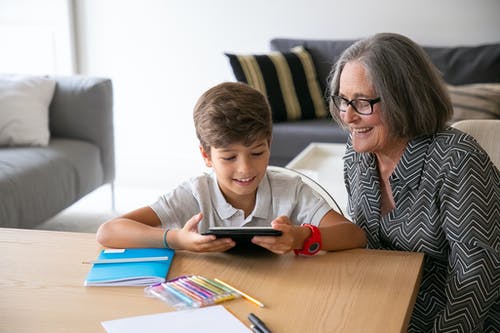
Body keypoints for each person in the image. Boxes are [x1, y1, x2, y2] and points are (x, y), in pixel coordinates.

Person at [328, 32, 500, 332]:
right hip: (387, 305)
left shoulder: (458, 160)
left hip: (461, 319)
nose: (348, 117)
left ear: (403, 99)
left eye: (362, 102)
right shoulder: (357, 155)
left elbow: (478, 276)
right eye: (343, 100)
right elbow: (363, 242)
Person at [97, 81, 366, 255]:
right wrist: (177, 239)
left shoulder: (290, 191)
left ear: (269, 145)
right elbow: (108, 231)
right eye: (229, 157)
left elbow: (353, 235)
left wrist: (300, 236)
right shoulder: (195, 193)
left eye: (257, 153)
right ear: (206, 155)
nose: (245, 168)